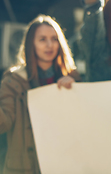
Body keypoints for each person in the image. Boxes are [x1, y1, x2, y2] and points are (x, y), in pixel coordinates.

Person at [0, 15, 81, 174]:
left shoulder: (74, 78)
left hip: (62, 164)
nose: (49, 45)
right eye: (42, 39)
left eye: (54, 39)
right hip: (25, 167)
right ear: (31, 44)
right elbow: (4, 122)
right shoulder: (13, 82)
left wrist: (75, 89)